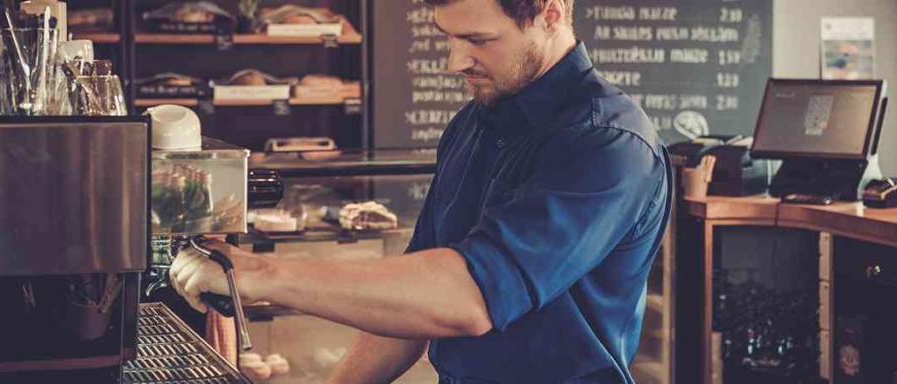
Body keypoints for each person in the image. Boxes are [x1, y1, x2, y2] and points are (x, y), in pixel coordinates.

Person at [169, 0, 672, 382]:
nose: (456, 61)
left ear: (550, 13)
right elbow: (415, 308)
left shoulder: (607, 143)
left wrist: (262, 274)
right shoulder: (474, 124)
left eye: (478, 38)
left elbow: (469, 296)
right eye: (448, 37)